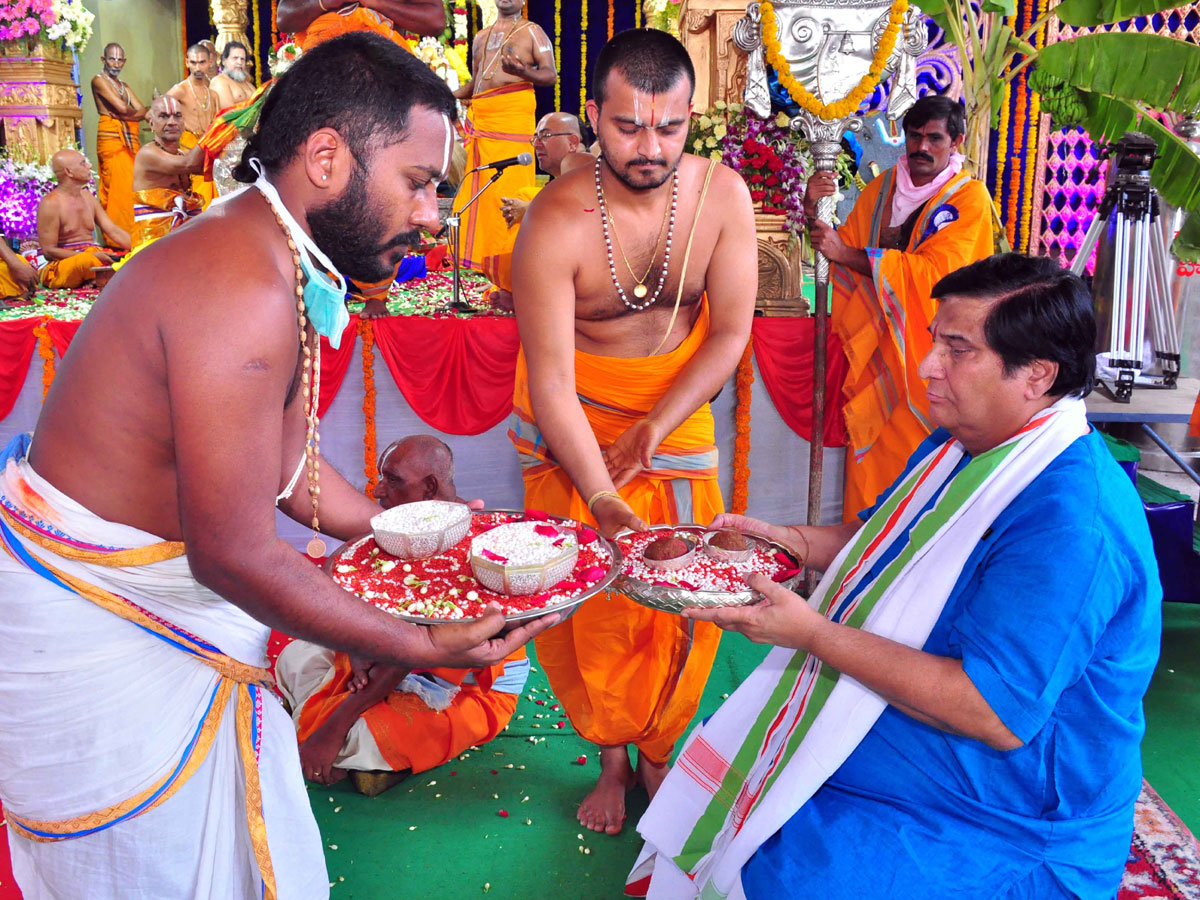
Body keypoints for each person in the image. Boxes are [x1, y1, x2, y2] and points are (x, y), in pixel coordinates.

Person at [0, 33, 555, 898]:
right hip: (97, 625)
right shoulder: (242, 282)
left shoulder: (276, 260)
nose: (433, 217)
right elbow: (231, 553)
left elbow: (291, 472)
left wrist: (423, 535)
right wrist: (423, 642)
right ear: (326, 157)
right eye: (418, 182)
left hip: (140, 607)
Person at [627, 254, 1161, 900]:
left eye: (956, 350)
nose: (927, 365)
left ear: (1037, 376)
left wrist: (812, 635)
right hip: (932, 738)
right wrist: (790, 542)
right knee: (738, 780)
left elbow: (991, 711)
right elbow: (889, 539)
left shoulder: (1074, 520)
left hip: (1008, 810)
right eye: (936, 339)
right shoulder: (964, 439)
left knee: (784, 875)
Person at [510, 28, 756, 835]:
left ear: (694, 117)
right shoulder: (554, 220)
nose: (649, 147)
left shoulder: (724, 197)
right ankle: (615, 757)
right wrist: (604, 494)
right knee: (595, 605)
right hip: (572, 429)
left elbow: (727, 334)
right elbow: (549, 378)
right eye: (626, 127)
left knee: (686, 594)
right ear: (591, 117)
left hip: (672, 417)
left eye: (670, 127)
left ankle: (661, 742)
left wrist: (655, 425)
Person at [276, 434, 529, 796]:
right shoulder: (407, 524)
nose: (377, 491)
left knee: (359, 737)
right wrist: (359, 646)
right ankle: (359, 745)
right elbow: (342, 569)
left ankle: (361, 749)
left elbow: (410, 652)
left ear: (429, 487)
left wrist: (331, 732)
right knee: (295, 656)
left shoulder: (466, 539)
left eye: (392, 480)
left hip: (461, 689)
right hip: (391, 657)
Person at [805, 95, 994, 520]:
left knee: (923, 485)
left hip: (936, 361)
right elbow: (841, 251)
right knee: (871, 483)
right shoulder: (884, 187)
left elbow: (938, 277)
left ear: (956, 141)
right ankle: (861, 574)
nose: (922, 147)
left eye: (934, 138)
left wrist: (847, 254)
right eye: (914, 136)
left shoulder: (969, 200)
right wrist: (812, 209)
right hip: (878, 356)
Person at [450, 0, 555, 273]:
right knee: (480, 184)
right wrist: (450, 95)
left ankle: (507, 259)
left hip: (511, 114)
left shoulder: (533, 31)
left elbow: (550, 74)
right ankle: (476, 258)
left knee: (508, 183)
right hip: (484, 113)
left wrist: (523, 72)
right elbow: (478, 81)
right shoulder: (481, 37)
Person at [484, 111, 589, 310]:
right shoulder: (558, 183)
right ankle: (520, 289)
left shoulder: (591, 168)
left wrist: (531, 210)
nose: (537, 144)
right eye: (536, 137)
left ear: (574, 142)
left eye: (546, 136)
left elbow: (584, 210)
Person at [36, 149, 130, 288]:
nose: (89, 166)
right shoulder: (51, 203)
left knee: (127, 259)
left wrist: (140, 249)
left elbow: (113, 231)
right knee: (87, 262)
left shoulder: (87, 196)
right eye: (83, 163)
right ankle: (97, 277)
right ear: (69, 172)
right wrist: (90, 258)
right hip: (65, 264)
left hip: (93, 255)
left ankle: (94, 278)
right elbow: (49, 251)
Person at [128, 96, 206, 253]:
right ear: (151, 123)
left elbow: (209, 166)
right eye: (164, 116)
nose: (172, 122)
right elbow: (190, 164)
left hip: (184, 232)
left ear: (184, 123)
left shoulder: (183, 154)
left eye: (177, 116)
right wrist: (215, 131)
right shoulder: (147, 154)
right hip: (153, 241)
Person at [91, 42, 148, 237]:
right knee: (116, 187)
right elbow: (126, 109)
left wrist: (128, 115)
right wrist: (132, 113)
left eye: (119, 59)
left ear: (124, 61)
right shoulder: (99, 81)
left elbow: (142, 111)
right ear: (103, 60)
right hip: (112, 139)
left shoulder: (124, 86)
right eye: (111, 59)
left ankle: (133, 233)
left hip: (129, 142)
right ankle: (118, 238)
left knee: (132, 186)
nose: (115, 63)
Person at [276, 0, 445, 52]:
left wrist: (376, 3)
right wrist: (325, 2)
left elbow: (435, 22)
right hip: (319, 71)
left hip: (386, 72)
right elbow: (284, 20)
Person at [167, 43, 219, 208]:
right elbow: (156, 112)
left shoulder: (213, 95)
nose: (198, 67)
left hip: (207, 151)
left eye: (202, 62)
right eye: (194, 63)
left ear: (210, 62)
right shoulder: (180, 90)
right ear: (187, 62)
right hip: (187, 152)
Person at [211, 40, 255, 110]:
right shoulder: (220, 81)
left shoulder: (249, 85)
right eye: (235, 58)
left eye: (242, 59)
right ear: (224, 61)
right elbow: (228, 114)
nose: (239, 62)